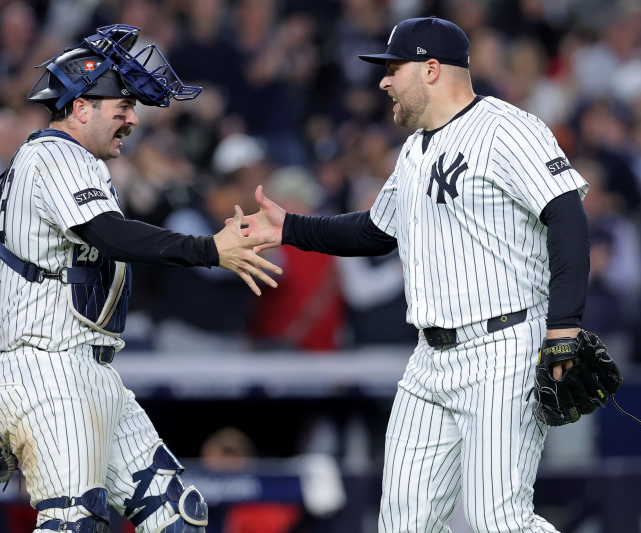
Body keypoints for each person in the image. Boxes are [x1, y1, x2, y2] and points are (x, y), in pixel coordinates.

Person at [240, 17, 593, 533]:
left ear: (431, 69)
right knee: (405, 522)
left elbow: (566, 217)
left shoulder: (506, 128)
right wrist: (290, 227)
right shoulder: (414, 149)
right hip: (429, 358)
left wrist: (564, 326)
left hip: (504, 345)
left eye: (393, 69)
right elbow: (374, 232)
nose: (383, 81)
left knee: (499, 521)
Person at [0, 24, 281, 533]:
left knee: (178, 515)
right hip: (50, 371)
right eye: (119, 104)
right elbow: (110, 236)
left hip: (92, 372)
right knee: (72, 523)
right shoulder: (55, 154)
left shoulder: (62, 162)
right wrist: (208, 249)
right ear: (80, 108)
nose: (131, 117)